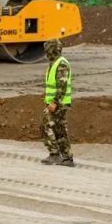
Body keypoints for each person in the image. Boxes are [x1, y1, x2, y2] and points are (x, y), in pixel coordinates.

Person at [41, 39, 74, 167]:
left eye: (48, 49)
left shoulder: (61, 64)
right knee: (60, 130)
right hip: (56, 103)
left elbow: (62, 86)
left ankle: (55, 154)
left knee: (45, 125)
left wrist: (55, 102)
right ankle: (67, 158)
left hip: (59, 103)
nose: (46, 52)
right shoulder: (54, 63)